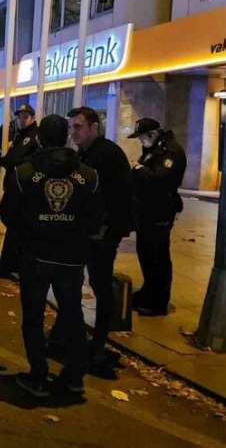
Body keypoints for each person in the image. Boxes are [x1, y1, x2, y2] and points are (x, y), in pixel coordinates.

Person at [0, 114, 104, 397]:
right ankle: (74, 377)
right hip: (71, 257)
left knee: (33, 317)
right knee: (72, 315)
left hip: (34, 255)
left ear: (41, 139)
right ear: (66, 137)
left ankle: (38, 375)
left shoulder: (23, 173)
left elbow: (7, 213)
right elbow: (96, 218)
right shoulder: (88, 176)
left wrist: (29, 232)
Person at [46, 107, 132, 369]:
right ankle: (66, 335)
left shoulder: (107, 154)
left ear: (94, 127)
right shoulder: (87, 153)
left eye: (79, 127)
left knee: (100, 286)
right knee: (72, 283)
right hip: (88, 233)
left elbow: (119, 197)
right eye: (71, 127)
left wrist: (104, 229)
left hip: (102, 235)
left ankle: (97, 343)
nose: (74, 132)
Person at [128, 118, 187, 316]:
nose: (140, 142)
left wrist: (138, 168)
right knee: (146, 253)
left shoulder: (170, 152)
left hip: (160, 211)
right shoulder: (155, 148)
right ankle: (148, 292)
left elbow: (161, 179)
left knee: (157, 255)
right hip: (146, 211)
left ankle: (158, 301)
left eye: (142, 137)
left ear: (153, 134)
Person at [0, 104, 40, 277]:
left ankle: (11, 265)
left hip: (22, 188)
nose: (21, 120)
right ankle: (10, 264)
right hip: (15, 184)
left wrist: (6, 161)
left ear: (32, 117)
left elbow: (19, 158)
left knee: (16, 227)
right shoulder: (22, 134)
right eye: (20, 116)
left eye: (25, 116)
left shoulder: (32, 136)